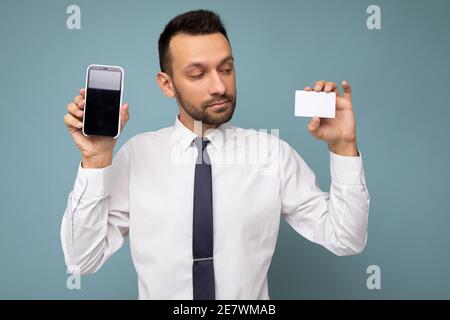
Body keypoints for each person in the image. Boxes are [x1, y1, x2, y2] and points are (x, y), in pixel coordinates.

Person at [61, 9, 370, 300]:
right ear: (167, 84)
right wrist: (95, 161)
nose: (219, 86)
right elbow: (82, 260)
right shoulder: (136, 157)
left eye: (226, 69)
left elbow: (346, 239)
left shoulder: (271, 155)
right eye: (198, 74)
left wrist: (343, 146)